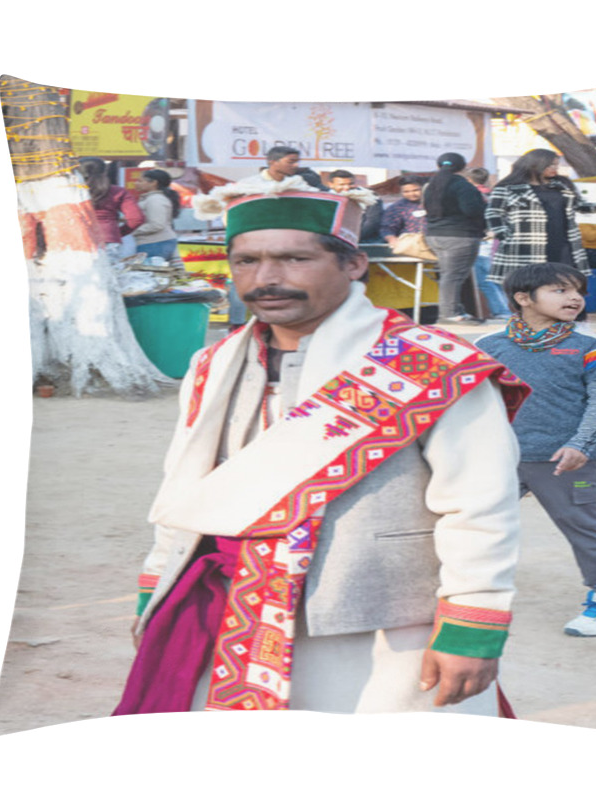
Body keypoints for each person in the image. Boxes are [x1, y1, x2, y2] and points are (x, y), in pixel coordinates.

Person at [113, 185, 530, 716]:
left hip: (381, 625)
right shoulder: (212, 364)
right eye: (247, 260)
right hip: (230, 608)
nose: (266, 278)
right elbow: (183, 488)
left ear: (353, 264)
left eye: (294, 258)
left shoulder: (431, 364)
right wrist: (158, 587)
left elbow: (480, 502)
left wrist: (474, 625)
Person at [475, 262, 596, 637]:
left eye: (578, 290)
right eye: (560, 290)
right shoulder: (489, 346)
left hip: (568, 461)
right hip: (503, 457)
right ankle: (471, 589)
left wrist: (581, 443)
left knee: (588, 528)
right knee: (472, 520)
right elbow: (472, 399)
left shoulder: (589, 345)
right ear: (522, 298)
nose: (575, 297)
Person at [485, 149, 596, 286]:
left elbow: (581, 206)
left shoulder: (563, 185)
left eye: (556, 165)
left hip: (564, 244)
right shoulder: (508, 188)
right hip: (526, 245)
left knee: (566, 284)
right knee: (529, 286)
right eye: (551, 165)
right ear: (536, 164)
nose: (555, 168)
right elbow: (493, 213)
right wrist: (504, 235)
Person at [423, 153, 487, 324]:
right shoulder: (463, 186)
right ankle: (449, 314)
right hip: (460, 236)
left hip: (435, 236)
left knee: (448, 275)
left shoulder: (431, 186)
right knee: (454, 276)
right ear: (463, 167)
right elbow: (472, 210)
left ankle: (454, 311)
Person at [78, 157, 145, 265]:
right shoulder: (118, 191)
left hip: (76, 239)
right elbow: (137, 219)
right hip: (109, 240)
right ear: (105, 171)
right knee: (107, 278)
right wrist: (117, 233)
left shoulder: (72, 191)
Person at [466, 167, 511, 320]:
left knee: (484, 280)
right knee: (495, 278)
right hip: (496, 241)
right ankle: (504, 309)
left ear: (469, 180)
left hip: (481, 240)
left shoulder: (472, 196)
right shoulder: (493, 194)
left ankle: (501, 311)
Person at [132, 168, 181, 262]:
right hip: (154, 243)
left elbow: (156, 225)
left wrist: (132, 231)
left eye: (140, 181)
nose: (136, 183)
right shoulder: (150, 199)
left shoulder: (155, 200)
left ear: (154, 183)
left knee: (151, 273)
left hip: (154, 243)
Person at [326, 169, 384, 243]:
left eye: (350, 184)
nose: (346, 187)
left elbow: (372, 223)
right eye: (341, 185)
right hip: (331, 241)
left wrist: (351, 238)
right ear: (330, 184)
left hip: (363, 240)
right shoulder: (324, 199)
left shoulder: (370, 197)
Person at [380, 176, 427, 246]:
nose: (411, 194)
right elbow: (387, 228)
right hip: (409, 245)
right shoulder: (396, 208)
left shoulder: (435, 204)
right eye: (406, 192)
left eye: (415, 190)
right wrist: (392, 240)